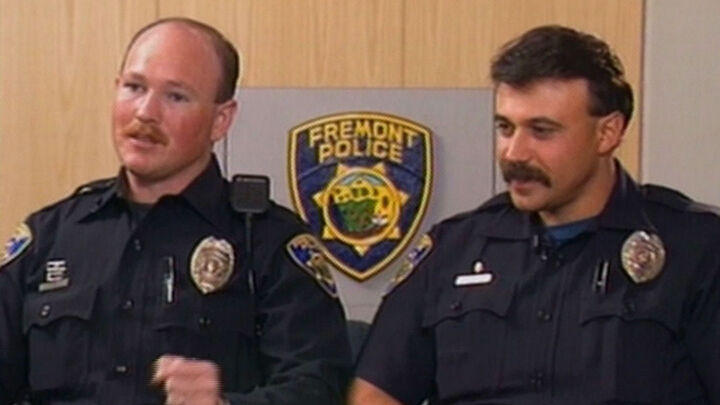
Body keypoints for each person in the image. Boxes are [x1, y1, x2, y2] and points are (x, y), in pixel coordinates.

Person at [349, 25, 720, 404]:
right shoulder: (452, 248)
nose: (514, 153)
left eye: (541, 131)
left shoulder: (697, 249)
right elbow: (376, 392)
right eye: (505, 128)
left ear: (607, 133)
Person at [0, 17, 351, 405]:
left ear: (220, 120)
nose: (145, 112)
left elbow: (318, 388)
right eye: (134, 87)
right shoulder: (50, 236)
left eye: (176, 96)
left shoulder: (269, 243)